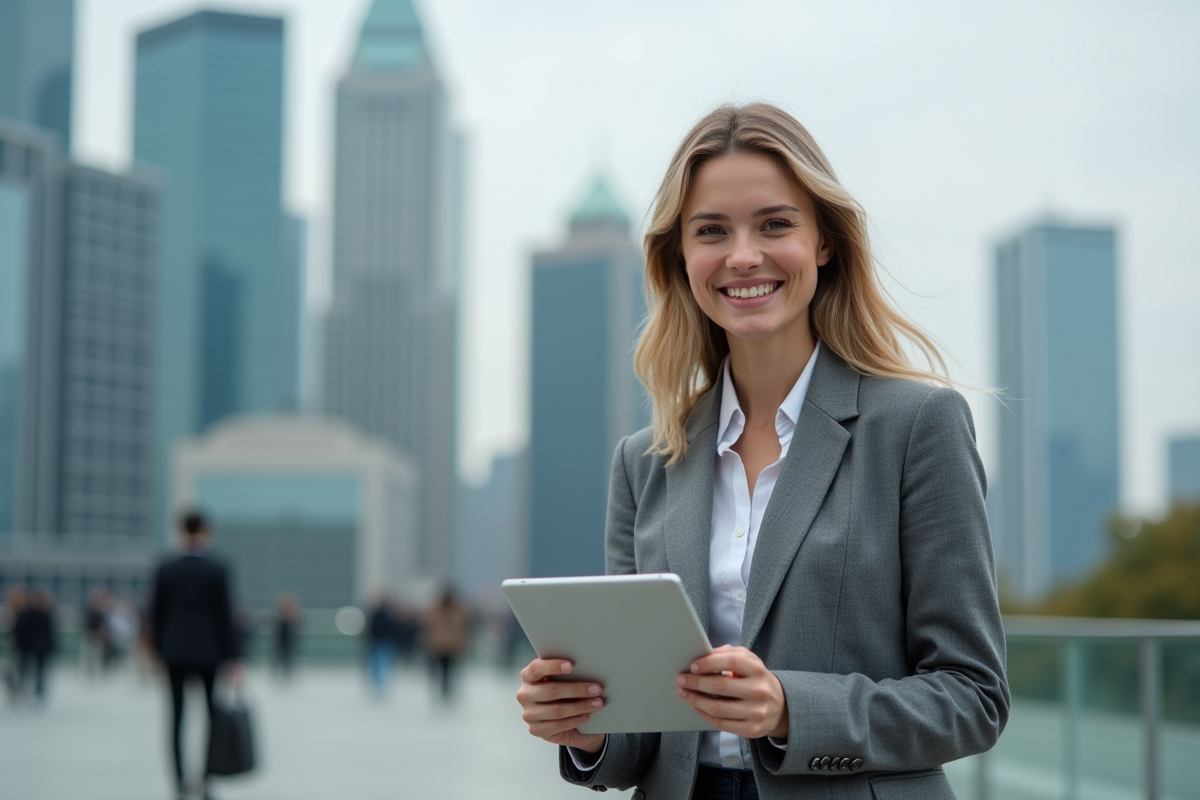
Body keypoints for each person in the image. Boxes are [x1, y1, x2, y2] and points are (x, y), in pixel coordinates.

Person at [516, 103, 1010, 799]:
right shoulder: (644, 460)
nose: (743, 255)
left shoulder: (917, 426)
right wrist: (588, 726)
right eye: (712, 231)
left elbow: (974, 697)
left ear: (825, 243)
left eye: (775, 224)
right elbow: (643, 739)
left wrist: (788, 709)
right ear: (680, 258)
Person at [147, 510, 243, 800]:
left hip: (174, 652)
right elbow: (226, 616)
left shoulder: (166, 567)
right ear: (206, 532)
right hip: (209, 652)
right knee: (211, 718)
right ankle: (207, 780)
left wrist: (157, 653)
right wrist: (234, 657)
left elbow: (156, 614)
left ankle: (178, 782)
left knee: (175, 718)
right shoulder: (218, 568)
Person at [422, 587, 470, 703]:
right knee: (449, 669)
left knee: (443, 670)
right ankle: (446, 689)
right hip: (450, 645)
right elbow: (462, 629)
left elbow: (429, 628)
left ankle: (444, 689)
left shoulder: (437, 611)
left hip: (440, 645)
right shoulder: (456, 611)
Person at [13, 587, 57, 709]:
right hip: (29, 648)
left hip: (40, 649)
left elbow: (50, 633)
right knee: (25, 671)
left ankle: (37, 695)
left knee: (39, 674)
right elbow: (21, 632)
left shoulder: (45, 615)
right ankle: (22, 692)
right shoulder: (28, 614)